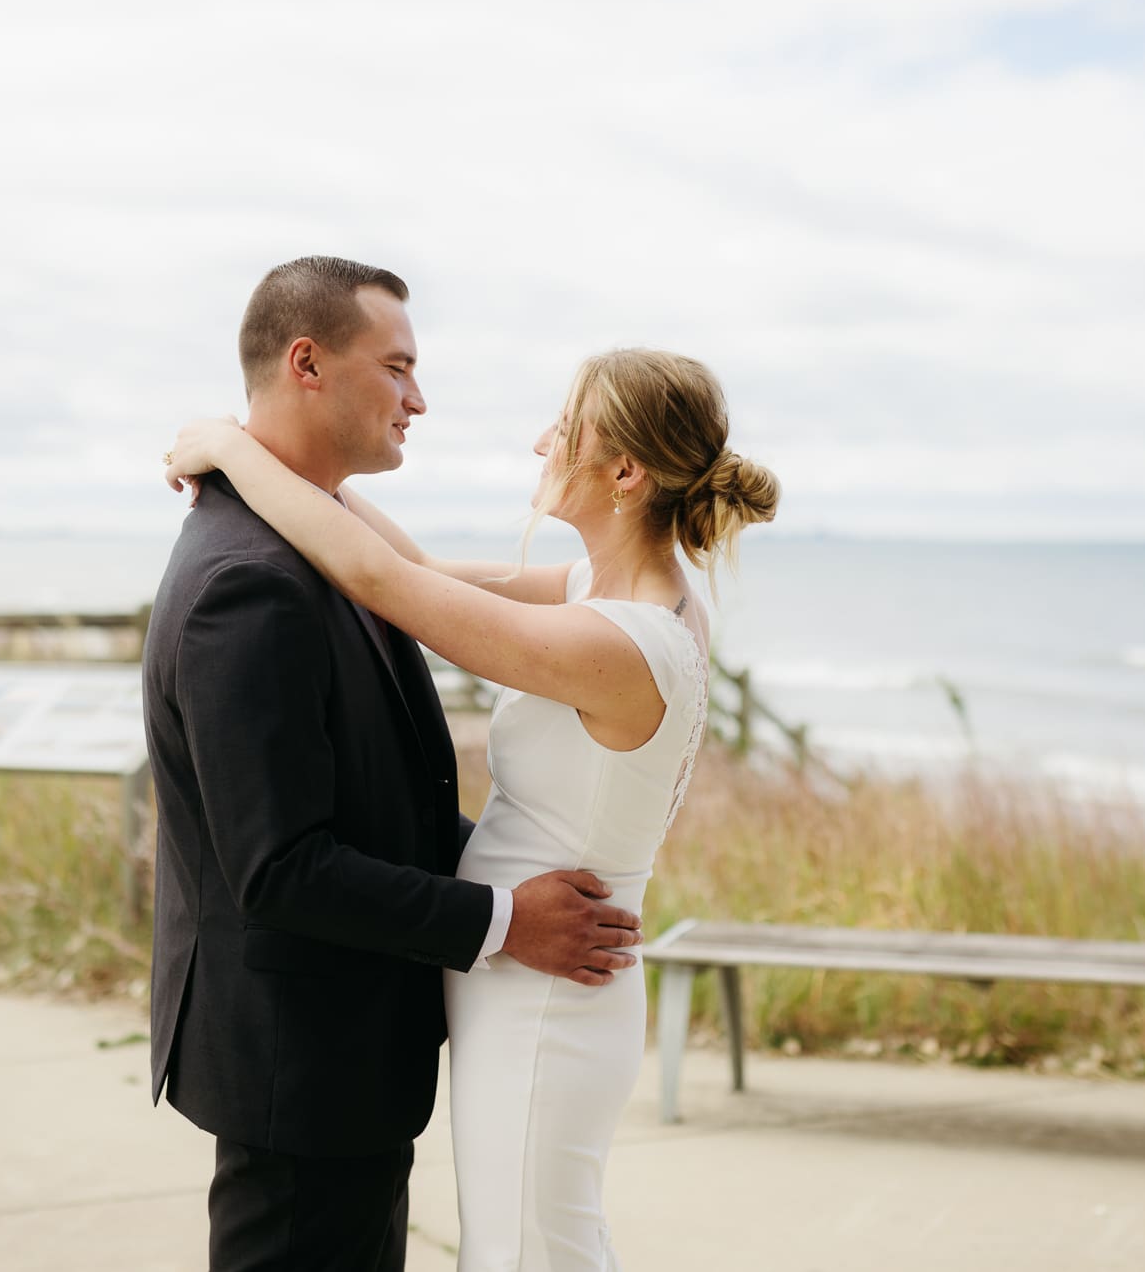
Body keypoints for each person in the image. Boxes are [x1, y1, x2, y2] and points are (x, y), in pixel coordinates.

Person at [166, 342, 780, 1270]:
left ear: (623, 470)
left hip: (547, 1001)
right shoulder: (600, 592)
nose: (542, 442)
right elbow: (412, 560)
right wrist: (277, 454)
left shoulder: (619, 642)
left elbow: (386, 587)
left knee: (528, 1251)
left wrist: (234, 450)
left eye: (565, 429)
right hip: (533, 984)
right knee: (528, 1241)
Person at [140, 255, 646, 1272]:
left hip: (346, 1053)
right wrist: (504, 921)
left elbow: (382, 800)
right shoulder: (252, 584)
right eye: (398, 367)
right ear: (306, 363)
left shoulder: (318, 551)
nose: (419, 399)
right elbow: (279, 867)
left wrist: (231, 446)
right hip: (299, 1058)